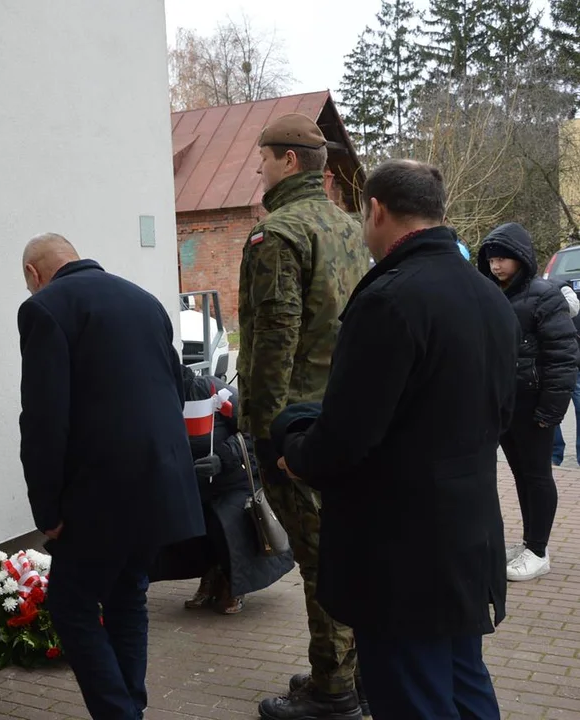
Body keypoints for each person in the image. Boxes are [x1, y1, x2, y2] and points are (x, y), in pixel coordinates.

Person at [274, 159, 518, 718]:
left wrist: (296, 453)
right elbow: (497, 415)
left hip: (401, 554)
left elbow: (348, 437)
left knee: (413, 696)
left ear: (377, 210)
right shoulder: (489, 299)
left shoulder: (390, 297)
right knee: (463, 682)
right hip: (466, 538)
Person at [17, 233, 204, 720]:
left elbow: (43, 421)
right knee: (127, 595)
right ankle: (130, 709)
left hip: (99, 493)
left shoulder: (45, 308)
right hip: (161, 481)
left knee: (72, 606)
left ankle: (119, 713)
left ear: (35, 275)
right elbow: (176, 390)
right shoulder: (145, 302)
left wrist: (48, 511)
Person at [236, 113, 370, 719]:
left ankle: (332, 689)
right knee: (348, 548)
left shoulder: (280, 233)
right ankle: (358, 671)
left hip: (294, 424)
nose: (256, 166)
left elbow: (274, 335)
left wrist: (262, 427)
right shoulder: (348, 226)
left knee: (320, 560)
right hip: (344, 417)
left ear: (289, 160)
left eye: (262, 156)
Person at [478, 224, 578, 581]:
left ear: (521, 258)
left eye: (503, 258)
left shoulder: (545, 295)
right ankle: (529, 543)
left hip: (534, 406)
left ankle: (538, 549)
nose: (496, 266)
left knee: (536, 476)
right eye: (491, 258)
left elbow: (563, 357)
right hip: (503, 406)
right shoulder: (491, 294)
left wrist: (550, 410)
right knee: (520, 475)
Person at [151, 367, 295, 614]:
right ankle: (210, 576)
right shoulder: (158, 400)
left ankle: (233, 583)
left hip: (234, 478)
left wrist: (222, 457)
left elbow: (253, 430)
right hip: (195, 482)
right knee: (192, 526)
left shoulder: (215, 390)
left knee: (226, 521)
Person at [551, 284, 580, 466]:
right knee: (551, 411)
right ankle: (554, 456)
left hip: (574, 362)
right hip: (550, 363)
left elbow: (572, 308)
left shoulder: (561, 289)